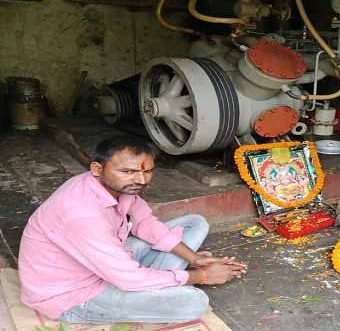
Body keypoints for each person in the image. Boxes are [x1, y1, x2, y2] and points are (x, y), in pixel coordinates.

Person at [18, 136, 247, 324]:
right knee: (194, 302)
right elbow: (126, 277)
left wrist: (195, 259)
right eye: (127, 172)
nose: (140, 180)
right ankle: (152, 281)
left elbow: (145, 223)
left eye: (147, 171)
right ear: (98, 169)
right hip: (73, 295)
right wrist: (203, 277)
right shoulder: (81, 212)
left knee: (195, 223)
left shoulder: (116, 188)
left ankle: (152, 281)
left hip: (105, 266)